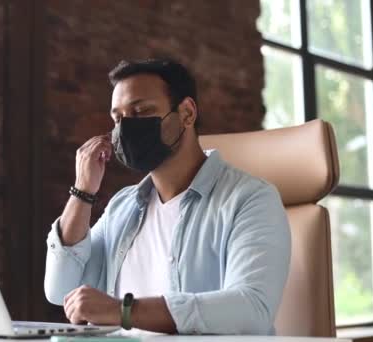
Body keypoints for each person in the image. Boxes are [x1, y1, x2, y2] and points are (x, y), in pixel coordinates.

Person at [44, 58, 291, 335]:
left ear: (186, 113)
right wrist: (82, 192)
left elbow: (251, 309)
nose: (126, 128)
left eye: (141, 112)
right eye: (117, 118)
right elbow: (61, 289)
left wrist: (123, 311)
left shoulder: (250, 200)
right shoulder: (122, 207)